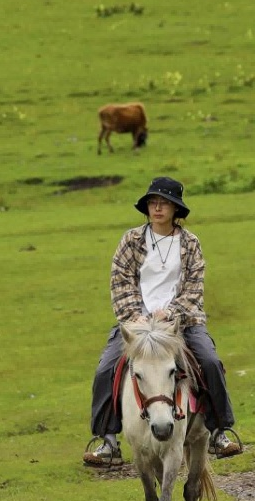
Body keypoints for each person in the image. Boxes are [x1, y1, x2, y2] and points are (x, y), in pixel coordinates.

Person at [82, 174, 243, 467]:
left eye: (164, 203)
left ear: (175, 209)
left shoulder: (190, 243)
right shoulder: (130, 241)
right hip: (137, 324)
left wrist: (171, 313)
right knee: (105, 369)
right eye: (153, 203)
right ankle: (107, 440)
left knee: (209, 362)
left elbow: (195, 286)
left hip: (183, 322)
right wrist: (136, 316)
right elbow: (120, 282)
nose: (157, 208)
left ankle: (220, 430)